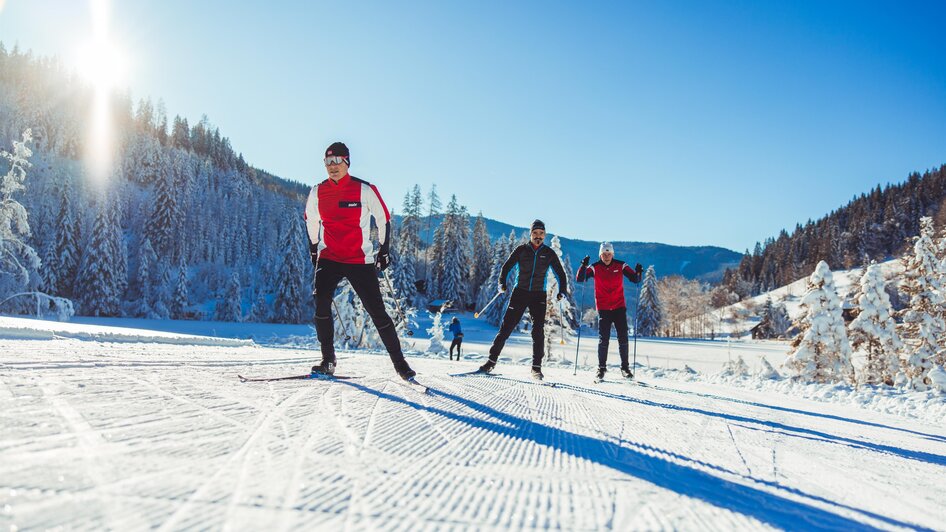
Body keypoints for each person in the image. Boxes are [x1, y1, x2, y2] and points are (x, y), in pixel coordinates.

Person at [304, 142, 416, 381]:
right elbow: (311, 220)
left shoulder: (364, 190)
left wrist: (383, 250)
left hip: (359, 259)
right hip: (330, 256)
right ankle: (328, 360)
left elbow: (383, 218)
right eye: (328, 162)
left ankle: (400, 364)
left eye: (337, 161)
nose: (332, 167)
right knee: (321, 301)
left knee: (377, 310)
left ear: (347, 162)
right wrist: (314, 247)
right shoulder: (317, 191)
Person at [478, 220, 567, 380]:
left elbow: (560, 273)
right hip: (520, 293)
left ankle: (536, 368)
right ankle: (490, 362)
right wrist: (501, 283)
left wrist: (562, 291)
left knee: (538, 331)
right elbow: (506, 267)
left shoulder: (549, 253)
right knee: (506, 328)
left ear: (544, 235)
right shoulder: (521, 250)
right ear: (530, 234)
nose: (538, 237)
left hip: (539, 295)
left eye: (541, 234)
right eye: (535, 233)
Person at [576, 242, 643, 381]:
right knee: (603, 339)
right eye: (604, 254)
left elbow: (635, 279)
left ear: (613, 254)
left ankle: (625, 368)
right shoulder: (595, 267)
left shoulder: (621, 265)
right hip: (604, 308)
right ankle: (601, 368)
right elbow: (580, 278)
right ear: (600, 255)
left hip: (619, 307)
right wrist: (583, 265)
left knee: (623, 338)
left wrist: (639, 272)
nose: (606, 256)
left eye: (609, 254)